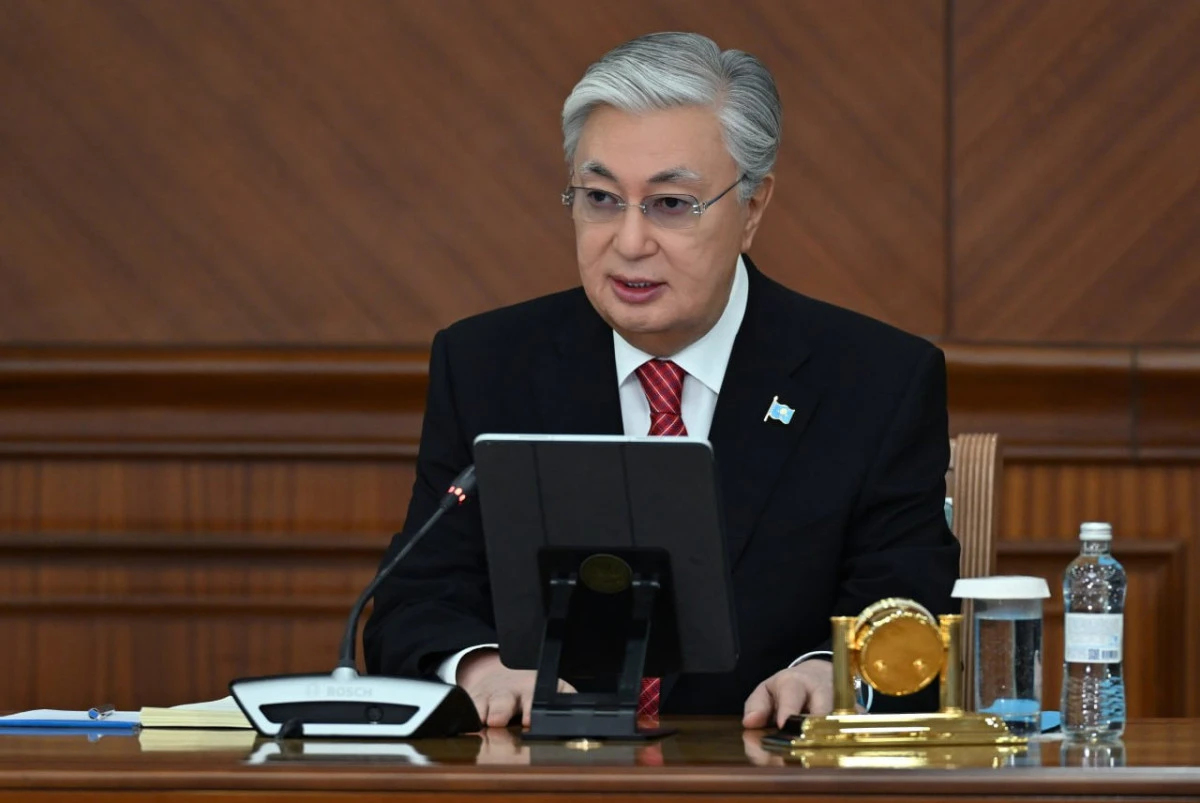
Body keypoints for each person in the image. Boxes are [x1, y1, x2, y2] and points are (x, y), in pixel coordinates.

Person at [363, 31, 959, 730]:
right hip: (546, 771)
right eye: (601, 198)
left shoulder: (875, 380)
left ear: (753, 208)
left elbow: (907, 603)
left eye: (671, 204)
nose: (629, 242)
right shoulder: (487, 365)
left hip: (767, 769)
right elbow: (415, 598)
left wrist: (831, 671)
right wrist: (481, 667)